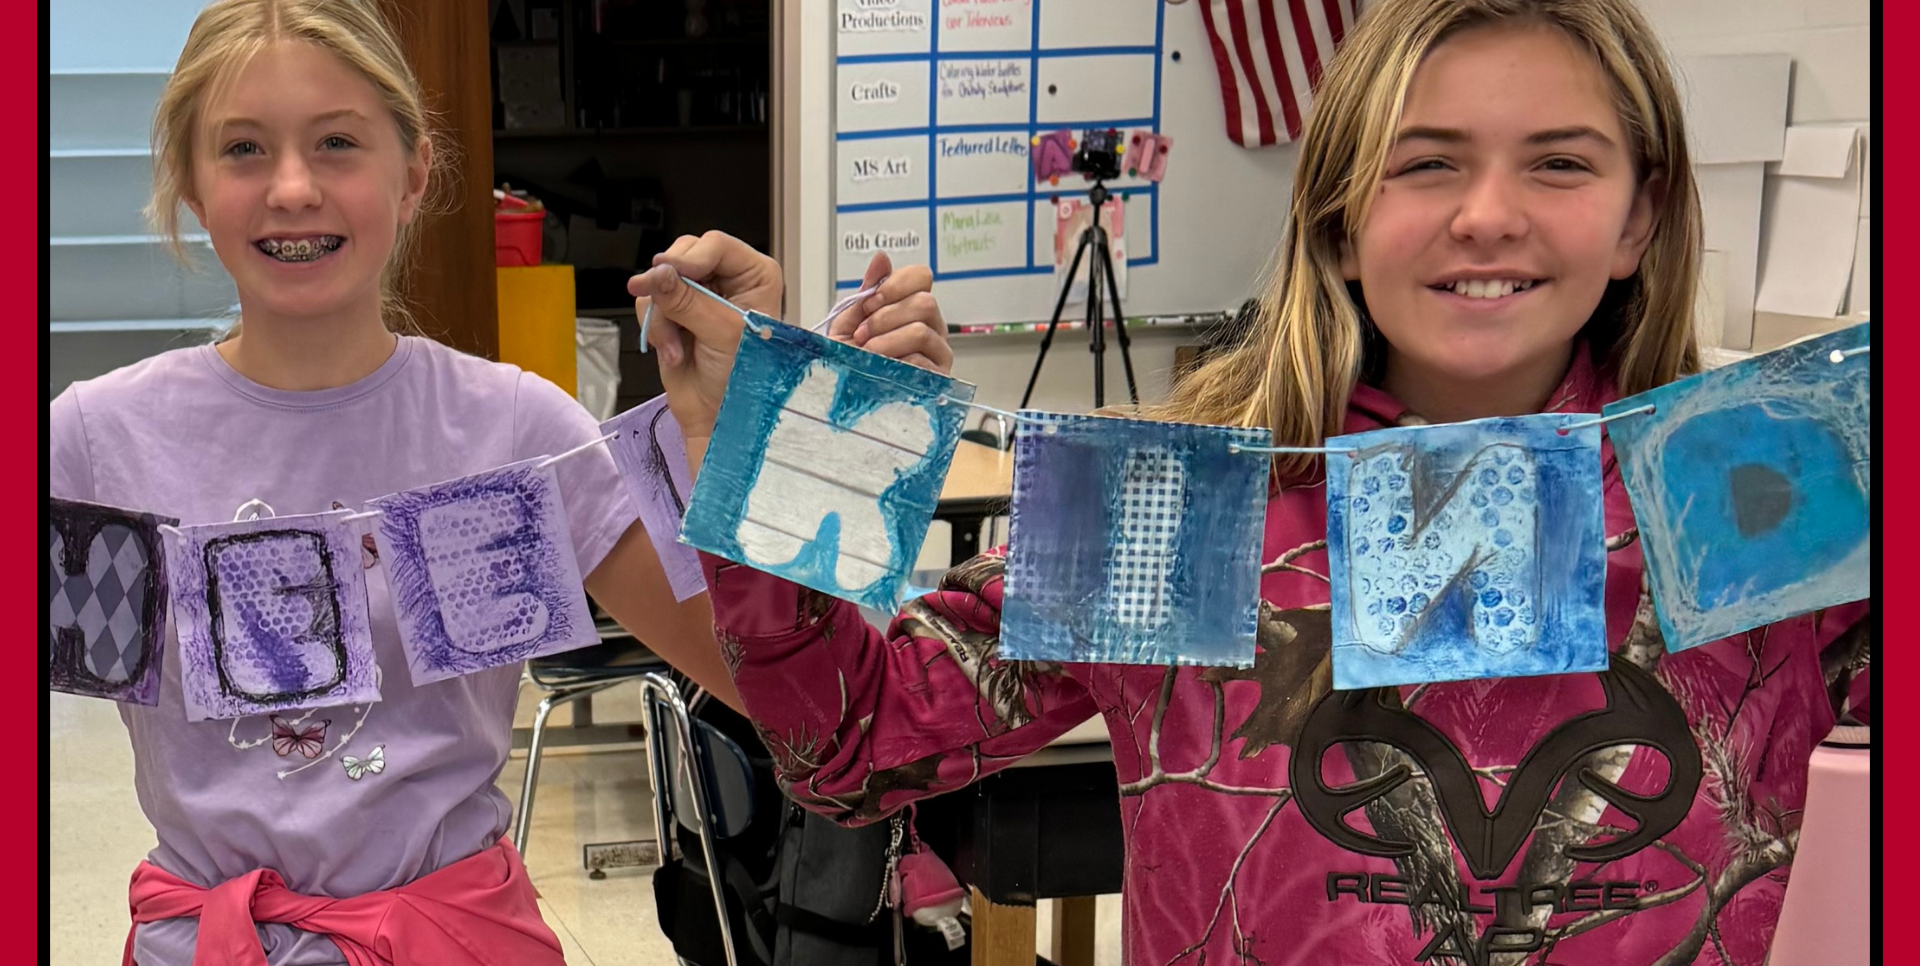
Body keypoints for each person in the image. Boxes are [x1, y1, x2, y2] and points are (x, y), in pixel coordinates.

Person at [636, 0, 1874, 963]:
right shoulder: (1178, 513)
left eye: (1559, 163)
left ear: (1640, 216)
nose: (1489, 215)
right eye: (1425, 163)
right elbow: (853, 744)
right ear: (1336, 216)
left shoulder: (1767, 492)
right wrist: (779, 442)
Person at [45, 1, 951, 963]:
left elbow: (800, 700)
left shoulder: (510, 429)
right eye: (242, 150)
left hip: (452, 939)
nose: (294, 188)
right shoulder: (98, 441)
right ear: (189, 182)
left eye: (338, 142)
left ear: (414, 171)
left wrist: (809, 445)